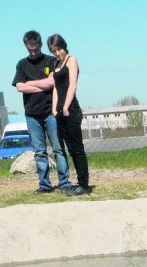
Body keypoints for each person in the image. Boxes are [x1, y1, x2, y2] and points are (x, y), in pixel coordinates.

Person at [12, 30, 71, 194]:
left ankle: (64, 182)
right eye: (30, 49)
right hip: (32, 115)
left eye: (36, 48)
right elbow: (19, 86)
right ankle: (45, 185)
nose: (33, 52)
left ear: (40, 45)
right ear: (26, 46)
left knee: (58, 149)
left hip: (50, 113)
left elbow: (51, 83)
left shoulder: (51, 61)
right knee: (40, 153)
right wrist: (40, 84)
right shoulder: (21, 65)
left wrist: (29, 84)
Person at [47, 33, 91, 197]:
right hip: (59, 111)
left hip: (71, 109)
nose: (57, 53)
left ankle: (84, 185)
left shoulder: (71, 60)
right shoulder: (55, 64)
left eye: (58, 49)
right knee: (69, 149)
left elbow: (72, 86)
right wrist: (54, 108)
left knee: (77, 148)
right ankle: (79, 182)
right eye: (53, 51)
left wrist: (65, 107)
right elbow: (56, 88)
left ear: (64, 46)